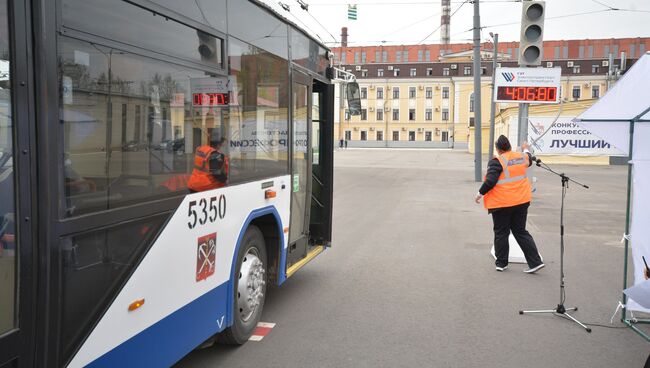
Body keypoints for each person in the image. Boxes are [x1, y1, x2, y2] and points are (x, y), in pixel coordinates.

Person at [474, 135, 545, 273]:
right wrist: (526, 148)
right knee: (520, 231)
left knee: (501, 232)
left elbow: (490, 181)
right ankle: (535, 262)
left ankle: (501, 263)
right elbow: (529, 157)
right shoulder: (521, 157)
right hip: (521, 201)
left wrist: (479, 194)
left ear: (498, 149)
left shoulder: (497, 161)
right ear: (510, 147)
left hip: (502, 203)